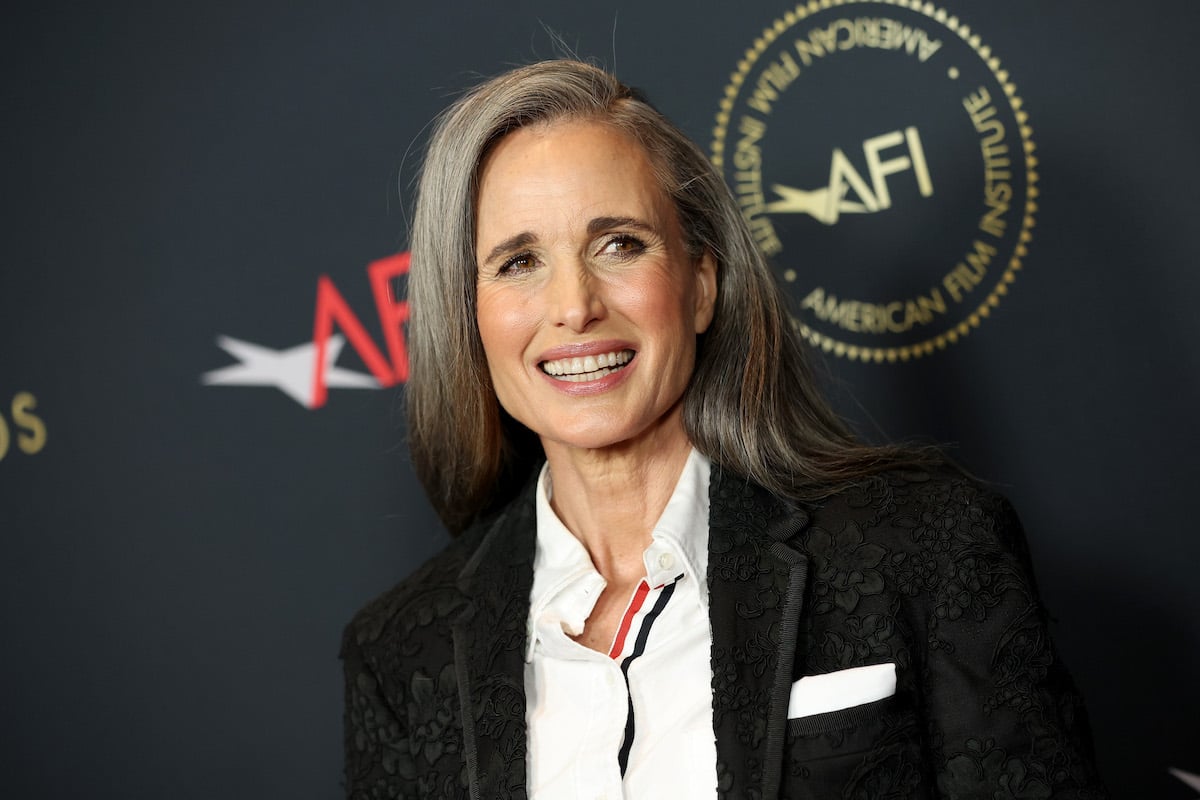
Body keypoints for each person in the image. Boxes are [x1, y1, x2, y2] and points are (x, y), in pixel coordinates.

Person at [341, 59, 1106, 799]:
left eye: (619, 244)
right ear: (466, 317)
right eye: (517, 262)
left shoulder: (929, 542)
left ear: (701, 284)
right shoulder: (401, 651)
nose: (574, 305)